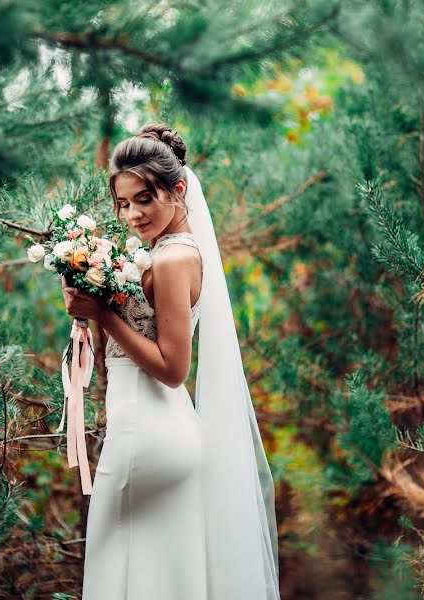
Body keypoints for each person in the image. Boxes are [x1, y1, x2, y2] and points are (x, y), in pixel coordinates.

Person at [61, 123, 280, 600]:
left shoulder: (173, 259)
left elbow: (172, 366)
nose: (132, 214)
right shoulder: (160, 252)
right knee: (163, 581)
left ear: (178, 189)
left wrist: (102, 313)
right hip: (157, 428)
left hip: (147, 434)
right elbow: (125, 350)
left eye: (145, 198)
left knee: (114, 578)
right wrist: (92, 304)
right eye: (123, 203)